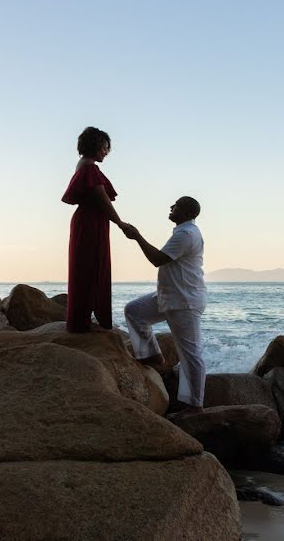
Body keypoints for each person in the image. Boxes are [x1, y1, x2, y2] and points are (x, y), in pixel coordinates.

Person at [121, 197, 207, 415]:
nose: (171, 207)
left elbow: (158, 259)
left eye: (176, 205)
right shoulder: (183, 232)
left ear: (186, 211)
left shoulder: (186, 234)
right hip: (170, 296)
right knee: (134, 311)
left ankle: (195, 405)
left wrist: (137, 237)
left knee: (191, 354)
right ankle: (151, 354)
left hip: (184, 301)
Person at [61, 126, 129, 333]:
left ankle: (82, 317)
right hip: (91, 221)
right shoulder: (89, 168)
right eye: (104, 146)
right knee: (91, 266)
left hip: (89, 220)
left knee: (86, 267)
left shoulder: (83, 165)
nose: (106, 151)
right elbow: (102, 198)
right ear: (95, 145)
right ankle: (83, 321)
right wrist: (120, 223)